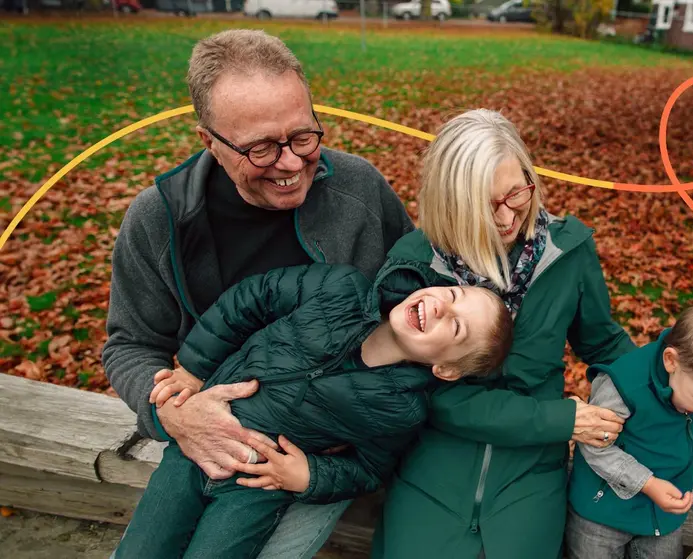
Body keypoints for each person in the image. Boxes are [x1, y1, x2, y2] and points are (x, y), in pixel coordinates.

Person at [102, 29, 414, 558]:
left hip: (314, 452)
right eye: (262, 148)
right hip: (204, 435)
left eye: (304, 136)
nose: (292, 164)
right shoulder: (161, 219)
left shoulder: (359, 189)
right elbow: (129, 343)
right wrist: (171, 414)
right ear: (209, 141)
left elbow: (416, 293)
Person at [368, 109, 638, 559]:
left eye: (517, 193)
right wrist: (559, 419)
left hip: (531, 476)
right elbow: (428, 395)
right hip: (431, 470)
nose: (507, 215)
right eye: (485, 204)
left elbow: (603, 342)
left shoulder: (567, 251)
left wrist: (664, 398)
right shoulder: (414, 267)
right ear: (450, 201)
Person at [114, 262, 514, 558]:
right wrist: (194, 368)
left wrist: (309, 475)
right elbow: (251, 298)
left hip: (258, 485)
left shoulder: (401, 407)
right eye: (454, 295)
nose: (444, 307)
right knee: (144, 548)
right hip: (193, 449)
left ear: (444, 369)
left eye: (457, 327)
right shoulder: (340, 287)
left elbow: (369, 469)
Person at [566, 302, 693, 559]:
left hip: (665, 512)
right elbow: (596, 447)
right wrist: (648, 484)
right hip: (601, 510)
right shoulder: (624, 388)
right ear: (671, 361)